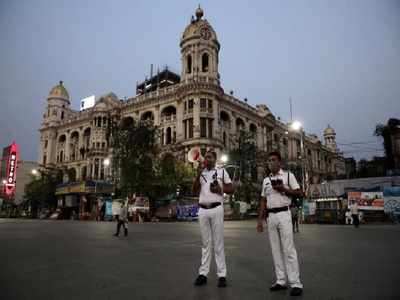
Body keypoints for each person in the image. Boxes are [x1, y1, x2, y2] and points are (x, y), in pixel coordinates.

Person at [257, 151, 304, 297]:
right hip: (271, 217)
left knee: (288, 249)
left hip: (284, 214)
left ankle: (296, 283)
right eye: (269, 160)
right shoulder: (266, 180)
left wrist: (284, 189)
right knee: (275, 250)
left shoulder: (288, 176)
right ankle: (281, 280)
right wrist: (260, 219)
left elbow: (300, 193)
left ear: (280, 162)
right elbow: (263, 200)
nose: (270, 162)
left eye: (273, 160)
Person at [192, 150, 233, 288]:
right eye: (206, 157)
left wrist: (220, 189)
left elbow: (231, 188)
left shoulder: (221, 172)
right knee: (205, 243)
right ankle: (203, 274)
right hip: (203, 210)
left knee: (218, 242)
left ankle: (222, 275)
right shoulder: (202, 173)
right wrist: (198, 172)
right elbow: (194, 189)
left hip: (216, 208)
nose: (206, 159)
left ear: (215, 160)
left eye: (209, 157)